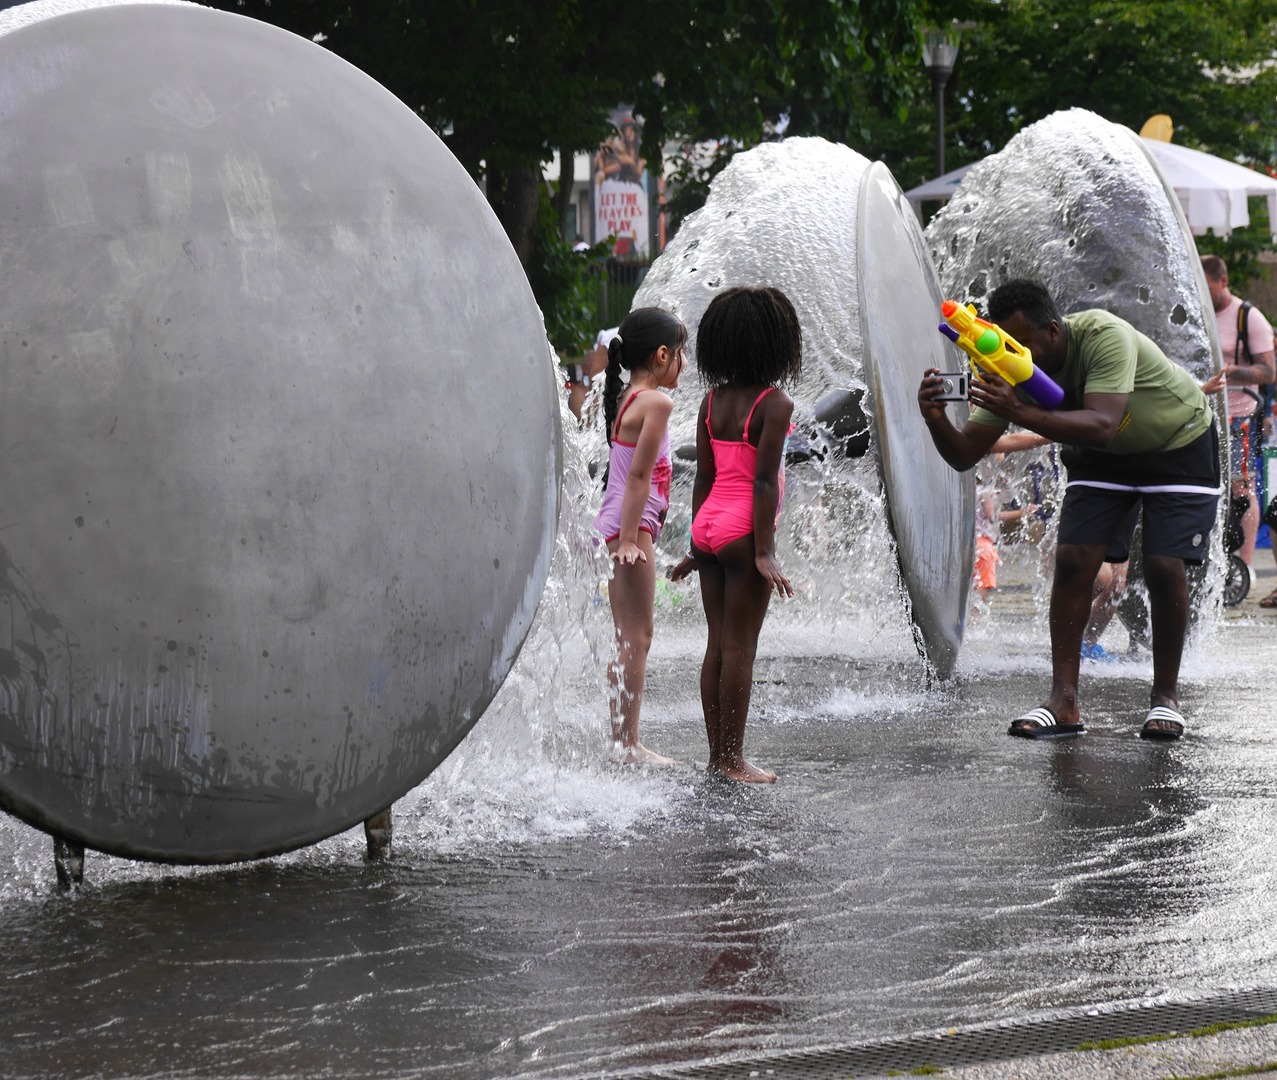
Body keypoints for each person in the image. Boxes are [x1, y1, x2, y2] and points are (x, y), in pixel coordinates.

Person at [919, 279, 1219, 741]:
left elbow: (1101, 422)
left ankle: (1165, 698)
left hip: (1177, 441)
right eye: (1003, 343)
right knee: (1074, 561)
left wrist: (1017, 411)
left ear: (1053, 331)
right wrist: (936, 418)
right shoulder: (1005, 365)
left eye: (1023, 344)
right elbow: (964, 454)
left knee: (1162, 563)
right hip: (1104, 457)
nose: (1012, 353)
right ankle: (1063, 701)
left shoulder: (1103, 335)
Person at [672, 286, 800, 782]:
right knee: (740, 649)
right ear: (774, 343)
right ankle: (732, 760)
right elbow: (765, 480)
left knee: (716, 646)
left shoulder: (711, 401)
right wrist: (764, 551)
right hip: (744, 530)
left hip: (709, 527)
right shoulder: (775, 403)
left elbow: (703, 477)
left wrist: (693, 544)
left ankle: (715, 757)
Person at [594, 308, 687, 764]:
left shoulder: (629, 397)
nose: (684, 364)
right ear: (663, 354)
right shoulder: (657, 404)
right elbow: (637, 477)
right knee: (637, 637)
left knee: (629, 637)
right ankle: (627, 745)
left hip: (619, 524)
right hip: (628, 529)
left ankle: (622, 742)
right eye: (680, 354)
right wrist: (630, 539)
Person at [1201, 255, 1277, 603]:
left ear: (1223, 281)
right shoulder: (1197, 311)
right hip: (1203, 413)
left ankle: (1242, 565)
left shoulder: (1250, 318)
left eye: (1208, 285)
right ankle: (1211, 559)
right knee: (1210, 486)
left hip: (1240, 414)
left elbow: (1267, 372)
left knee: (1241, 487)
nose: (1203, 291)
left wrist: (1229, 371)